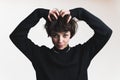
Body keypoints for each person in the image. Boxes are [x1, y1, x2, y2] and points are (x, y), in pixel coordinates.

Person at [9, 7, 112, 80]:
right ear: (50, 34)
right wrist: (39, 13)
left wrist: (80, 12)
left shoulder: (82, 53)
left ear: (71, 34)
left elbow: (105, 33)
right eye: (55, 35)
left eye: (65, 35)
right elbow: (16, 36)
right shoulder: (40, 55)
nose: (60, 40)